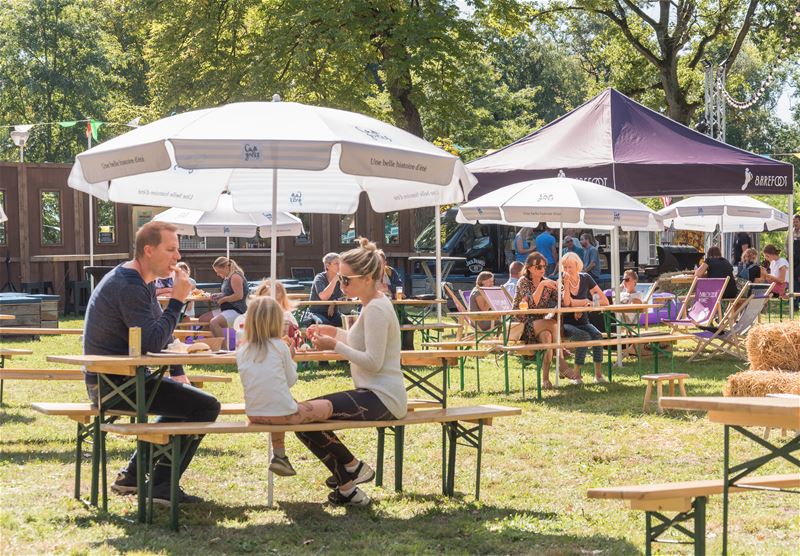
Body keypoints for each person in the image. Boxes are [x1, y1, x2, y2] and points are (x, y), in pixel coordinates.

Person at [83, 222, 220, 503]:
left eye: (177, 250)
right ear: (148, 250)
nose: (177, 257)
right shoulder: (129, 286)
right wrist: (177, 300)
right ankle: (161, 486)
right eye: (170, 249)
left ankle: (133, 477)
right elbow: (153, 341)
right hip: (113, 384)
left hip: (124, 379)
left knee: (189, 401)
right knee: (206, 406)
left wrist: (178, 373)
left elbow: (163, 336)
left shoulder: (139, 281)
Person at [302, 237, 407, 506]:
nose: (342, 284)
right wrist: (332, 332)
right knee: (301, 417)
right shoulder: (371, 304)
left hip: (384, 397)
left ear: (368, 278)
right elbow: (359, 342)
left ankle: (351, 470)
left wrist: (334, 344)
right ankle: (349, 480)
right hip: (374, 394)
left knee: (301, 415)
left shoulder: (376, 309)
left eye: (346, 280)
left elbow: (372, 361)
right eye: (340, 278)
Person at [237, 296, 332, 477]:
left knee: (279, 404)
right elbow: (290, 380)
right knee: (327, 406)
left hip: (254, 413)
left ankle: (279, 455)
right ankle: (337, 459)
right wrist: (290, 359)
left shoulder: (243, 350)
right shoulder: (280, 346)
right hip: (282, 414)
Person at [512, 252, 570, 388]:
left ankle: (545, 380)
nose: (543, 269)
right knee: (553, 324)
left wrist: (566, 285)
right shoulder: (523, 282)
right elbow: (532, 304)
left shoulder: (547, 281)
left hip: (541, 325)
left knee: (548, 336)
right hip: (523, 326)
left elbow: (564, 303)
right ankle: (561, 362)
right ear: (529, 268)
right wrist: (542, 285)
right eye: (538, 267)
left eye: (545, 266)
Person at [560, 252, 609, 384]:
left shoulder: (586, 278)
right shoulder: (562, 280)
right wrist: (583, 301)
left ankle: (598, 375)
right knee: (583, 336)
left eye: (570, 267)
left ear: (577, 266)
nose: (566, 270)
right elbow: (566, 303)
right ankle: (577, 376)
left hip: (583, 321)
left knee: (598, 336)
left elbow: (604, 301)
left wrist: (590, 303)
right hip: (566, 323)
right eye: (564, 267)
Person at [198, 257, 248, 338]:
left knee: (214, 323)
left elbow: (239, 295)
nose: (217, 274)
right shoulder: (227, 277)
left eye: (218, 271)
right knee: (203, 319)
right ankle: (210, 344)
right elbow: (228, 292)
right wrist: (219, 295)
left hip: (237, 310)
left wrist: (224, 299)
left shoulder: (235, 276)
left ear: (226, 267)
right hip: (227, 309)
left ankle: (223, 348)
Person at [304, 252, 344, 327]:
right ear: (327, 265)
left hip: (334, 314)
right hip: (317, 313)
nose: (339, 266)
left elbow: (348, 297)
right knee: (325, 325)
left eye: (340, 263)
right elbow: (324, 297)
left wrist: (333, 303)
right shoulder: (320, 278)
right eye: (336, 263)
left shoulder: (341, 278)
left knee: (348, 322)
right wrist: (335, 280)